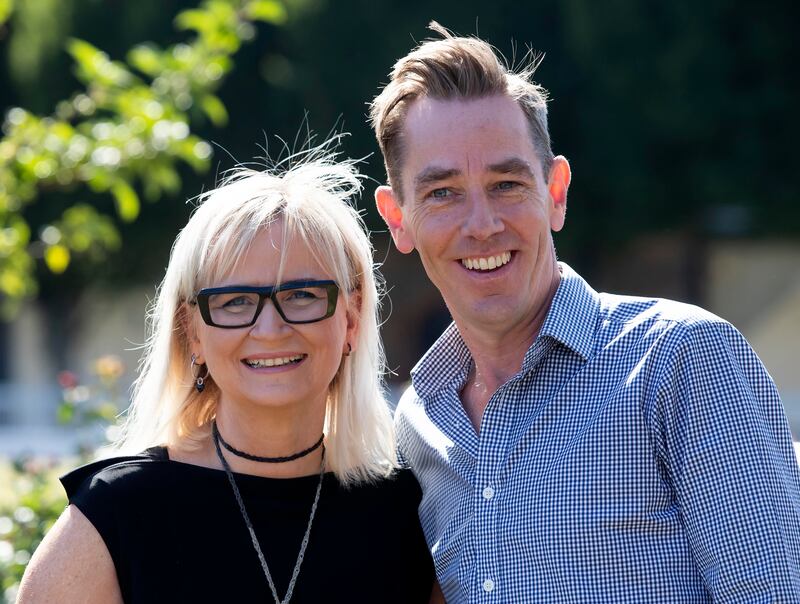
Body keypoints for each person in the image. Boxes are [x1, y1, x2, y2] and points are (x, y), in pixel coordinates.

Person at [369, 22, 800, 602]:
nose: (482, 224)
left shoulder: (685, 361)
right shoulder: (416, 428)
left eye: (506, 183)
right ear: (398, 218)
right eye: (443, 193)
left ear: (556, 191)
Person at [18, 147, 436, 603]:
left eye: (301, 295)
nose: (271, 329)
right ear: (191, 332)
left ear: (351, 318)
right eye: (234, 301)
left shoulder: (405, 517)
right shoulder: (116, 516)